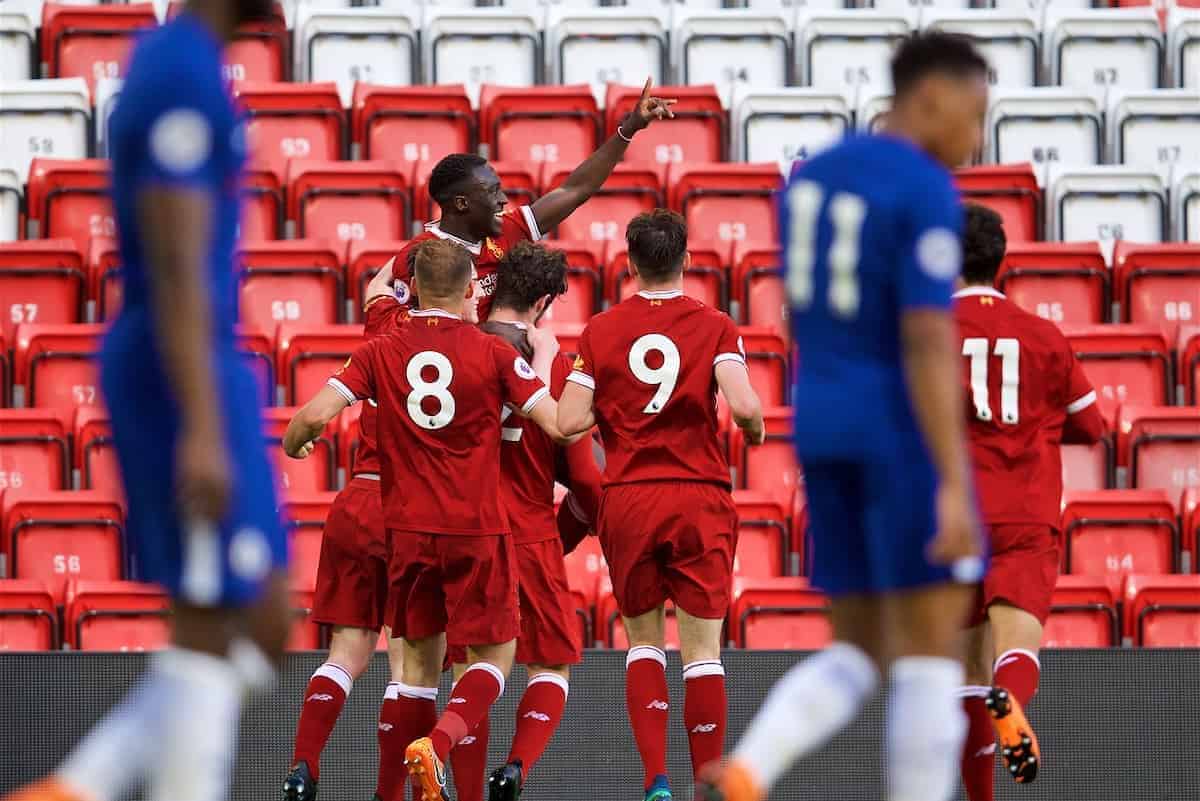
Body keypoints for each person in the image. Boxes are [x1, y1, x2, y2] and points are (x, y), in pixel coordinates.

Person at [2, 2, 292, 800]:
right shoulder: (178, 70)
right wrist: (199, 422)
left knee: (259, 623)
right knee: (211, 622)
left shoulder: (188, 65)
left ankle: (79, 785)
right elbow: (174, 252)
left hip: (204, 363)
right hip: (179, 366)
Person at [697, 32, 990, 801]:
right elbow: (927, 334)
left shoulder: (810, 180)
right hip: (898, 432)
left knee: (858, 649)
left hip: (823, 426)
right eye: (975, 112)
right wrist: (955, 481)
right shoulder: (924, 186)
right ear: (930, 96)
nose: (977, 137)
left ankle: (748, 769)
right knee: (930, 656)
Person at [281, 239, 575, 801]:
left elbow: (312, 415)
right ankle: (436, 745)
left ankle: (388, 790)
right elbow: (560, 425)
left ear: (413, 288)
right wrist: (555, 362)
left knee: (414, 667)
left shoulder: (379, 349)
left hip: (408, 531)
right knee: (495, 658)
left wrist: (299, 443)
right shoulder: (492, 354)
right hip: (476, 529)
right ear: (471, 290)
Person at [557, 210, 765, 801]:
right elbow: (746, 406)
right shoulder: (717, 326)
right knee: (703, 653)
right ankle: (708, 786)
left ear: (629, 265)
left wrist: (614, 417)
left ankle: (655, 780)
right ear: (687, 262)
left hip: (630, 499)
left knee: (643, 643)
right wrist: (752, 430)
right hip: (698, 494)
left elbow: (570, 421)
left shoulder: (599, 331)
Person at [953, 204, 1105, 800]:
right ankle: (1010, 698)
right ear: (1003, 262)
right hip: (1025, 512)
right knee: (1015, 648)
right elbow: (1092, 427)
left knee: (964, 673)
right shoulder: (1043, 335)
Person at [444, 242, 603, 801]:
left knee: (469, 673)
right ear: (541, 302)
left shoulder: (450, 349)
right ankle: (515, 769)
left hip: (457, 531)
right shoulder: (556, 365)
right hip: (530, 531)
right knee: (550, 668)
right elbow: (587, 479)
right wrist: (561, 538)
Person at [387, 78, 677, 322]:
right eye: (491, 192)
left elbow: (575, 190)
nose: (503, 200)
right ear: (462, 204)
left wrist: (628, 129)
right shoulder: (418, 258)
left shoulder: (509, 230)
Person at [283, 258, 411, 801]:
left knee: (345, 655)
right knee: (410, 667)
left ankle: (302, 766)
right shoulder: (471, 343)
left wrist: (295, 443)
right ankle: (389, 793)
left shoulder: (382, 330)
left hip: (358, 499)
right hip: (416, 510)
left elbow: (380, 282)